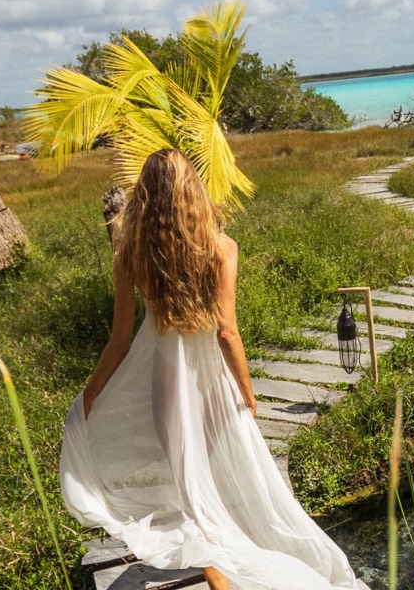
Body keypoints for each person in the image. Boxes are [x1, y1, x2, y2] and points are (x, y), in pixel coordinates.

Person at [60, 149, 366, 590]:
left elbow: (120, 341)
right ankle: (235, 566)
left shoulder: (131, 254)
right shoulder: (221, 248)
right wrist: (247, 392)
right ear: (194, 191)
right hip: (211, 385)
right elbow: (227, 331)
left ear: (144, 195)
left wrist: (88, 397)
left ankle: (219, 572)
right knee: (234, 477)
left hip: (165, 387)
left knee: (191, 486)